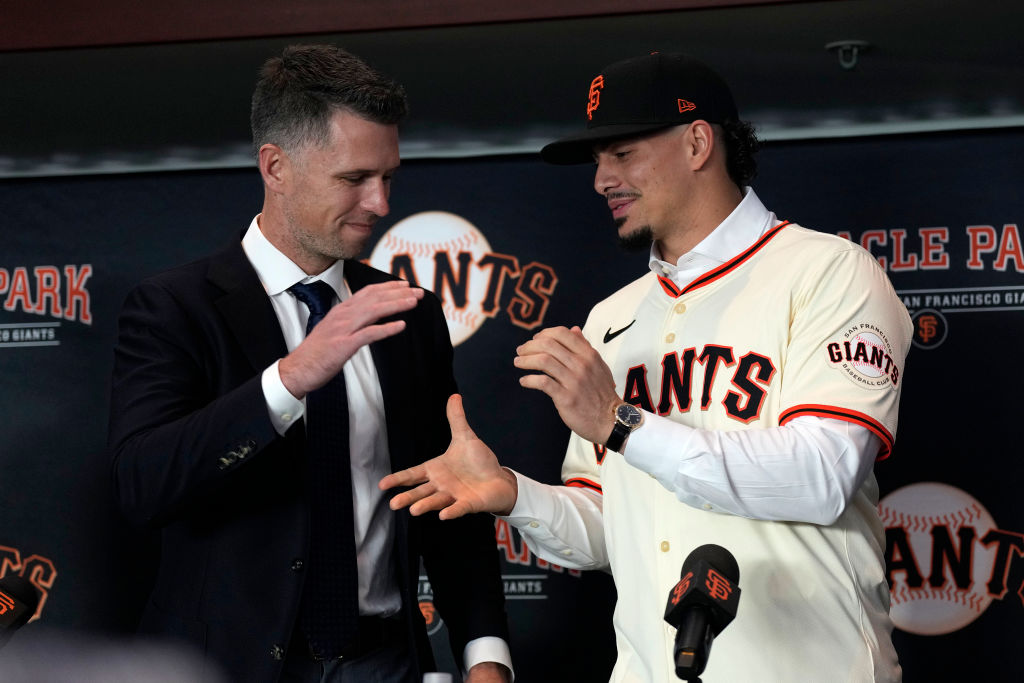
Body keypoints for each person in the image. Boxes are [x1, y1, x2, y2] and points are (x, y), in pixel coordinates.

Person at [381, 52, 911, 682]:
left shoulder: (827, 271)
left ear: (696, 142)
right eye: (598, 160)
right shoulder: (612, 317)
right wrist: (514, 496)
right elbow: (607, 527)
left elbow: (824, 476)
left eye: (623, 152)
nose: (602, 179)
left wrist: (621, 421)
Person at [108, 44, 511, 683]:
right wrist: (291, 376)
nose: (380, 204)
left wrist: (486, 654)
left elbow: (451, 493)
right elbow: (142, 485)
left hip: (386, 661)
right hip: (225, 667)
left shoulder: (408, 313)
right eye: (354, 179)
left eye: (390, 178)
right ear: (276, 166)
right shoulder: (173, 308)